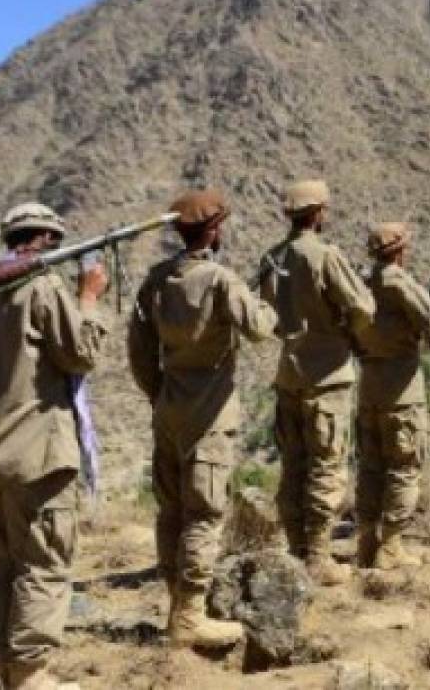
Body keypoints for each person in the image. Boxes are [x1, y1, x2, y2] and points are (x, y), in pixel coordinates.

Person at [0, 203, 109, 690]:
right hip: (38, 458)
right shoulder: (42, 288)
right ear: (45, 240)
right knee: (43, 566)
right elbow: (82, 353)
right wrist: (88, 297)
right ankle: (31, 676)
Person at [128, 189, 278, 649]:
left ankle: (177, 604)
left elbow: (137, 351)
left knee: (171, 511)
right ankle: (189, 617)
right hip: (209, 410)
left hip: (169, 403)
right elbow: (259, 328)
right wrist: (267, 302)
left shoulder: (156, 280)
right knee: (204, 513)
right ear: (213, 229)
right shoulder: (220, 280)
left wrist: (159, 391)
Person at [257, 180, 375, 586]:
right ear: (319, 212)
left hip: (289, 371)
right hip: (327, 374)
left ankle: (295, 549)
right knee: (326, 464)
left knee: (294, 465)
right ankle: (318, 556)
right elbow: (361, 306)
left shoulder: (273, 258)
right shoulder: (324, 255)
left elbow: (266, 316)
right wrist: (342, 331)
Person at [353, 223, 430, 569]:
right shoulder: (400, 282)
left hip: (369, 384)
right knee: (403, 467)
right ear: (401, 250)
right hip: (402, 389)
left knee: (371, 467)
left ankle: (366, 541)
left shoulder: (361, 282)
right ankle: (391, 547)